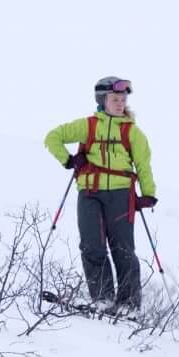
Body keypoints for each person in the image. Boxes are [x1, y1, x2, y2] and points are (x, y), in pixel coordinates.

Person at [42, 77, 158, 310]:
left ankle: (129, 304)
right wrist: (69, 160)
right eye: (115, 99)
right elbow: (52, 137)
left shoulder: (133, 132)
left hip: (121, 194)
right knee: (92, 245)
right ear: (102, 100)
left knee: (123, 248)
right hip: (89, 193)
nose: (120, 103)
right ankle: (102, 299)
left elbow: (143, 164)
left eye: (123, 99)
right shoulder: (88, 125)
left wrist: (148, 193)